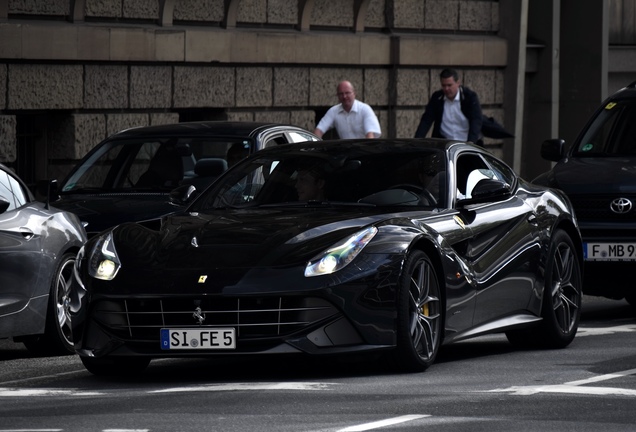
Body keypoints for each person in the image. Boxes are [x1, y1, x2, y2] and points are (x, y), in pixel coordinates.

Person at [414, 68, 483, 145]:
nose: (446, 89)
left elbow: (476, 120)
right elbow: (426, 120)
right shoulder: (437, 98)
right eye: (443, 85)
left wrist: (471, 142)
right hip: (447, 147)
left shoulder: (469, 97)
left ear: (458, 83)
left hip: (467, 145)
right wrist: (416, 141)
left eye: (449, 85)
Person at [314, 81, 381, 139]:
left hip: (364, 150)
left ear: (354, 93)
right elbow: (319, 130)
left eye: (347, 93)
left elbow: (370, 136)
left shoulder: (365, 109)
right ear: (337, 96)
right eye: (341, 94)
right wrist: (315, 147)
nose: (344, 96)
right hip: (345, 151)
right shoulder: (333, 111)